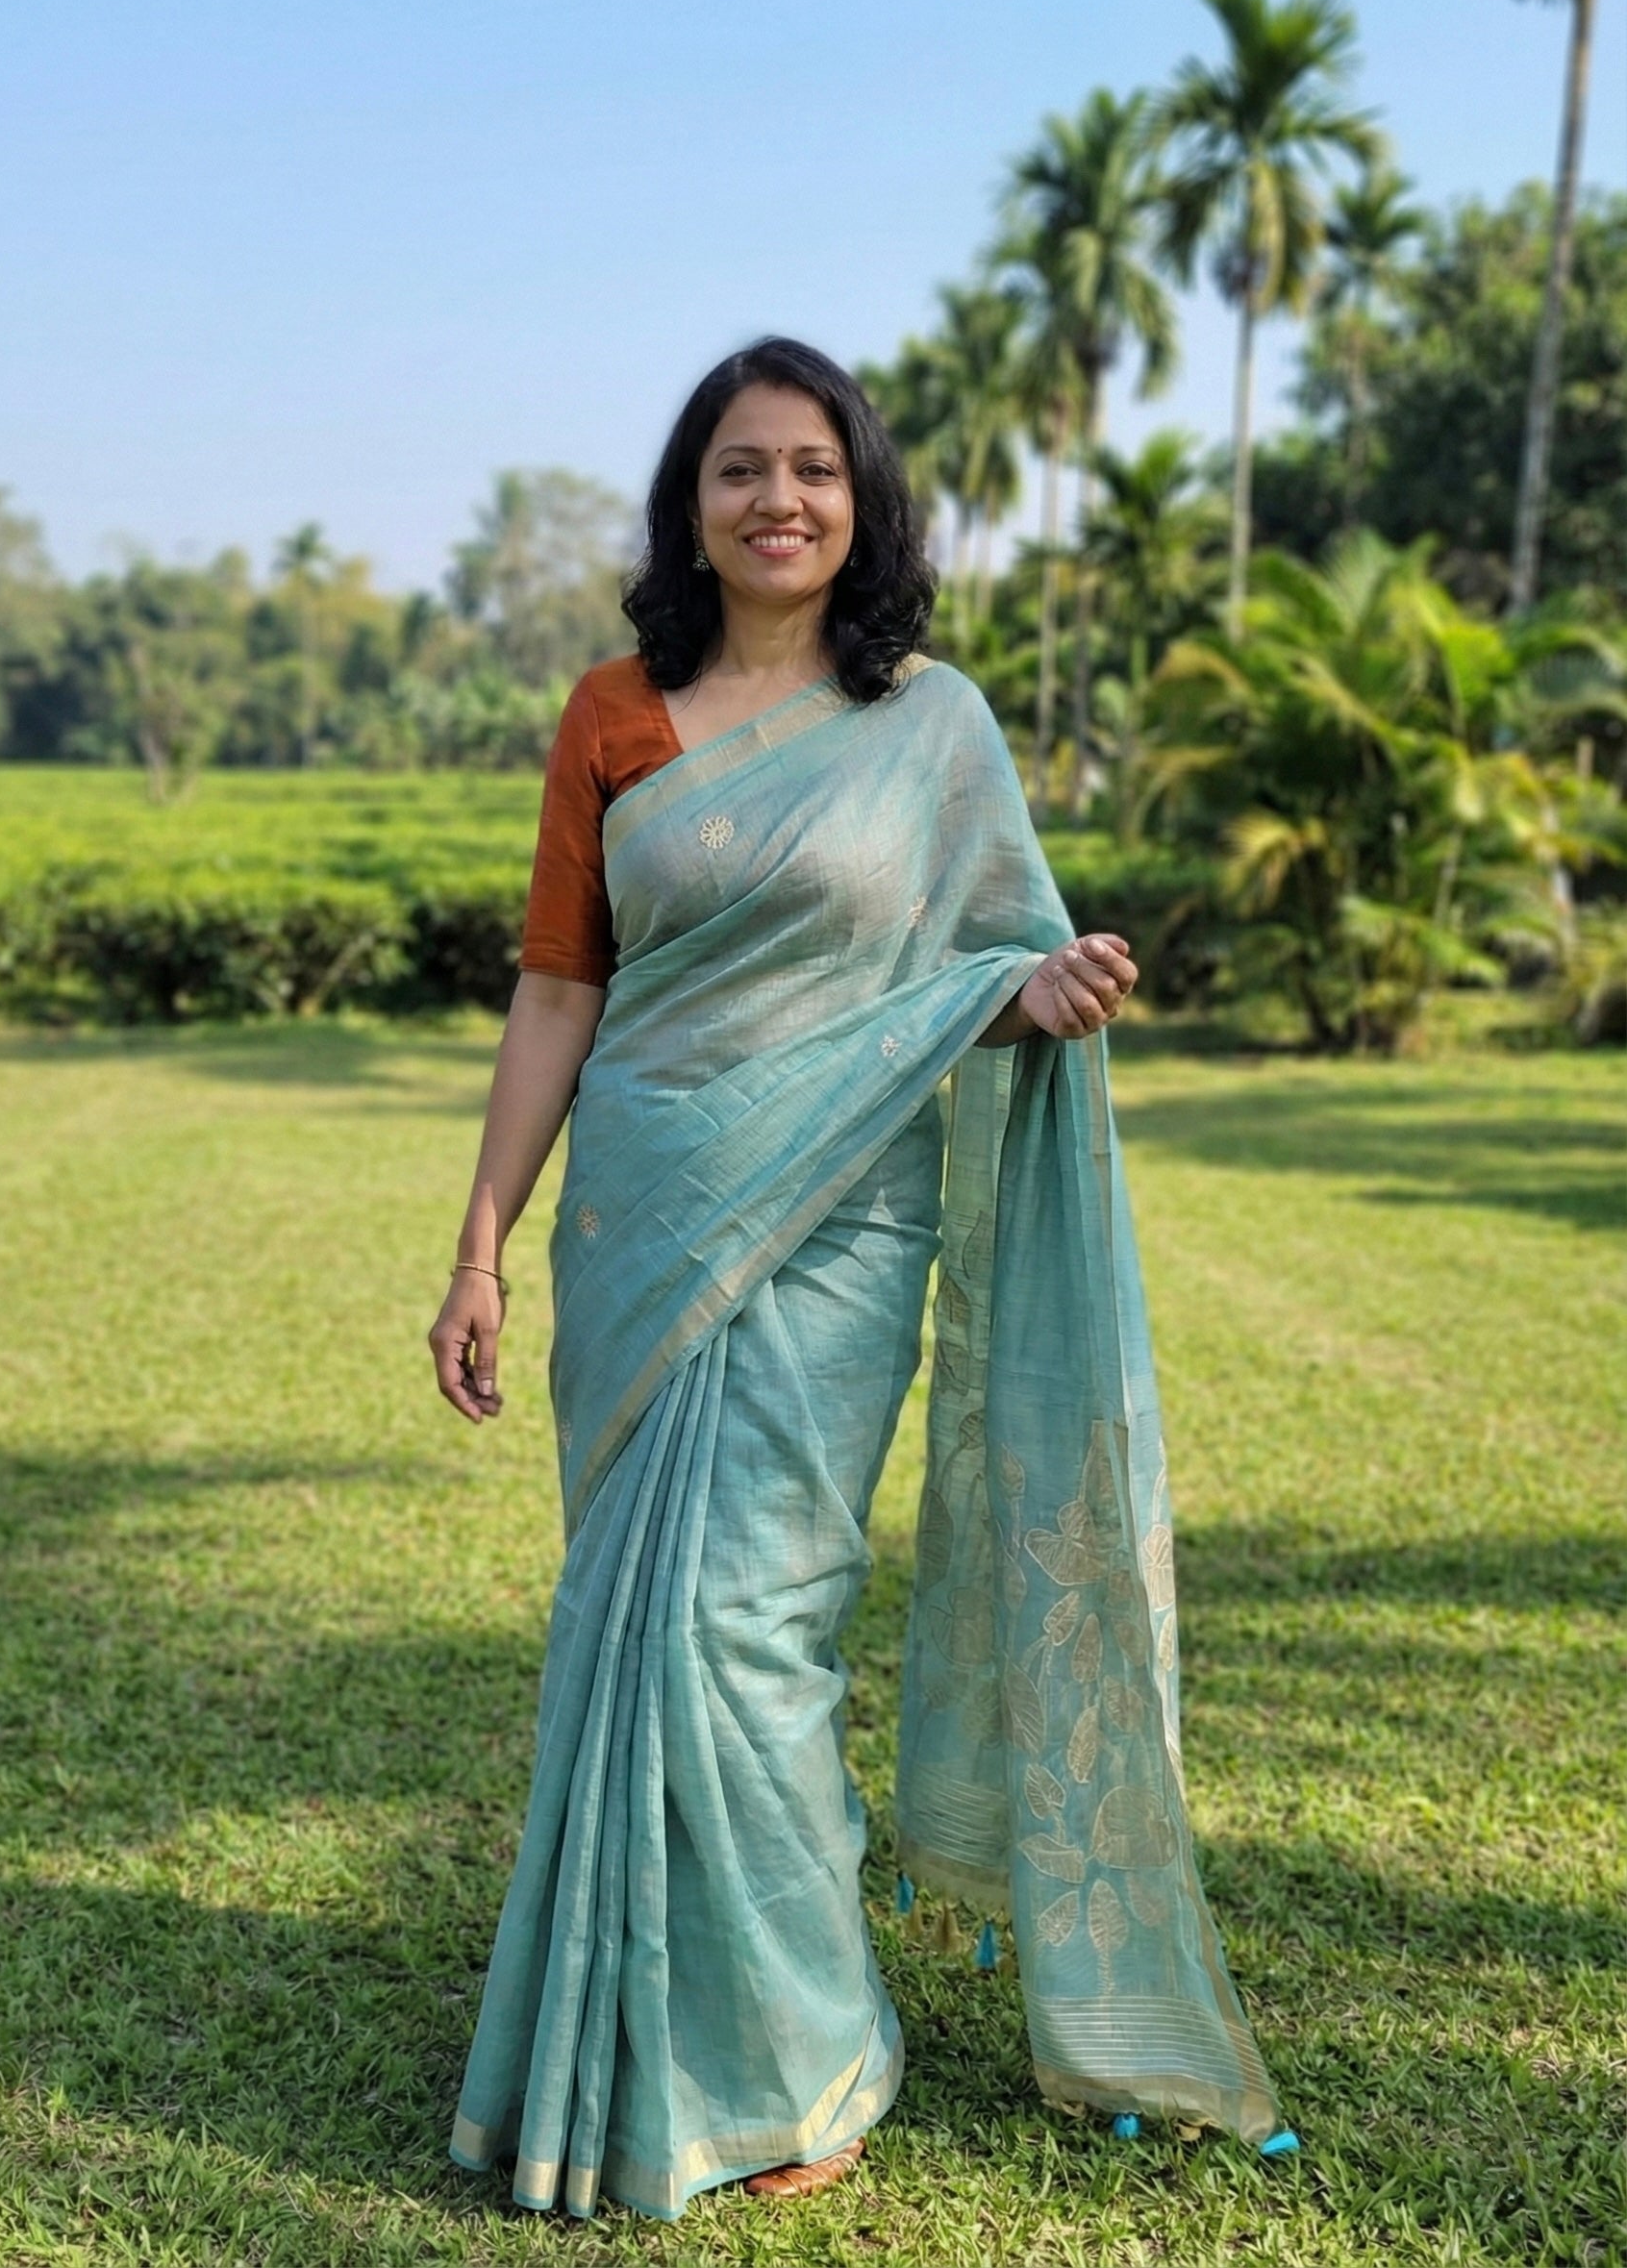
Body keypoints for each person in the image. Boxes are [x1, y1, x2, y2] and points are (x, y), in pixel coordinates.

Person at [430, 336, 1286, 2224]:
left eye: (809, 469)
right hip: (641, 1222)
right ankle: (638, 2046)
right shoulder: (612, 717)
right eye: (737, 469)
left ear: (861, 500)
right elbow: (561, 989)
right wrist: (478, 1245)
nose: (775, 502)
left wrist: (1040, 991)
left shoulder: (932, 725)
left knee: (748, 1632)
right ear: (690, 502)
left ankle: (797, 2056)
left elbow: (986, 963)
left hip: (835, 1237)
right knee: (628, 1628)